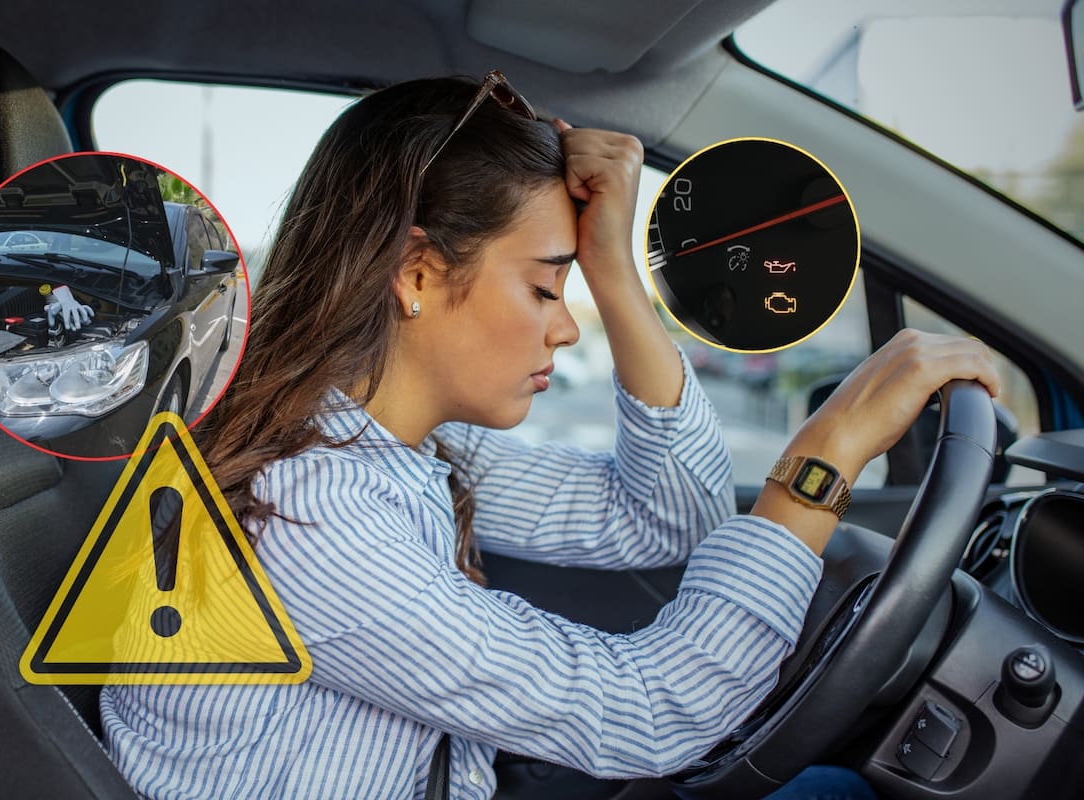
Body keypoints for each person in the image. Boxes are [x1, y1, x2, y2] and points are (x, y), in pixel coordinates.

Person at [100, 71, 999, 799]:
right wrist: (824, 458)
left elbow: (669, 517)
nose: (566, 328)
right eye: (543, 288)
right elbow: (646, 713)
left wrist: (615, 270)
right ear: (416, 272)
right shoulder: (308, 515)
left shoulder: (398, 447)